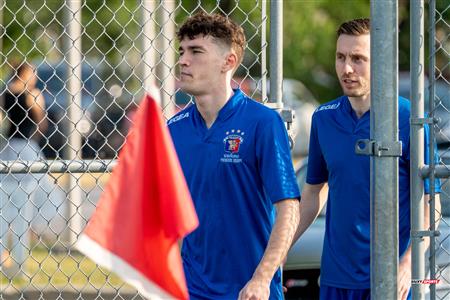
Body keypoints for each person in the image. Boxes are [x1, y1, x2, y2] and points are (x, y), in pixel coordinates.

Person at [292, 18, 441, 300]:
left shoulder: (410, 119)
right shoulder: (324, 118)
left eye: (358, 59)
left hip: (393, 279)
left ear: (382, 62)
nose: (346, 69)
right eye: (341, 57)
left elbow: (430, 206)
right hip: (336, 278)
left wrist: (407, 265)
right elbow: (314, 193)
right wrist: (279, 251)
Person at [168, 12, 301, 300]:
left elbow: (289, 209)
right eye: (182, 51)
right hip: (191, 290)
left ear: (228, 61)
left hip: (250, 292)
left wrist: (262, 278)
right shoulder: (173, 130)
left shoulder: (262, 123)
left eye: (196, 51)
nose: (183, 60)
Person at [0, 62, 47, 277]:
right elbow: (40, 124)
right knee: (24, 208)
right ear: (26, 74)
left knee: (4, 205)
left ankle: (4, 257)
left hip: (10, 147)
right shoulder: (32, 94)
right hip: (27, 148)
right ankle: (19, 263)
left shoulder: (6, 93)